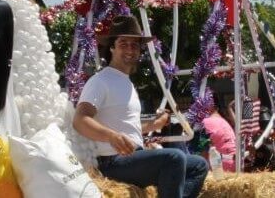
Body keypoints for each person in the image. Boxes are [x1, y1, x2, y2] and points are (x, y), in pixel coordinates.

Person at [74, 15, 207, 197]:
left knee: (198, 165)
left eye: (135, 44)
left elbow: (126, 128)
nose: (130, 49)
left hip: (133, 158)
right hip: (113, 163)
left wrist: (153, 125)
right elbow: (80, 120)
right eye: (123, 43)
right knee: (174, 158)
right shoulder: (100, 81)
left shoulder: (126, 83)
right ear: (112, 47)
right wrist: (111, 136)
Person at [201, 96, 237, 172]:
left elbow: (202, 152)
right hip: (234, 165)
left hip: (220, 168)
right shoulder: (224, 121)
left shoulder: (206, 122)